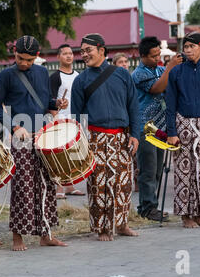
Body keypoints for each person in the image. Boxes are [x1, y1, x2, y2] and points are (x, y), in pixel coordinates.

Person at [0, 35, 68, 251]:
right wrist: (15, 127)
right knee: (23, 186)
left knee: (47, 184)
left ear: (37, 57)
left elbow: (45, 102)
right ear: (14, 53)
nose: (23, 63)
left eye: (28, 60)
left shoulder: (43, 72)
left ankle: (46, 234)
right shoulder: (6, 75)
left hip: (43, 134)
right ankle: (18, 237)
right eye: (20, 58)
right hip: (21, 137)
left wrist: (57, 103)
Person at [71, 33, 140, 241]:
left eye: (88, 50)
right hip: (95, 138)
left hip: (122, 137)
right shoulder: (81, 80)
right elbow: (77, 116)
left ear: (101, 50)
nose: (84, 54)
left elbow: (133, 106)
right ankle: (101, 228)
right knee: (98, 185)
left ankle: (121, 224)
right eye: (81, 51)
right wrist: (82, 143)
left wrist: (135, 134)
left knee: (123, 183)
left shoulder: (122, 75)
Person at [165, 32, 200, 228]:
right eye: (185, 47)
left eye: (191, 46)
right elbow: (170, 104)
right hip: (183, 126)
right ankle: (185, 215)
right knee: (183, 171)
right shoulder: (176, 72)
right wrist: (171, 132)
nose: (187, 50)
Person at [131, 36, 182, 221]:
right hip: (146, 127)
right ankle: (147, 207)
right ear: (142, 55)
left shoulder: (161, 69)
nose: (157, 58)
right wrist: (169, 68)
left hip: (160, 128)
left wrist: (173, 68)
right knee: (148, 169)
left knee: (158, 169)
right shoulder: (138, 73)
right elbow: (156, 89)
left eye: (158, 55)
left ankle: (152, 204)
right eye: (153, 56)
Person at [49, 43, 84, 199]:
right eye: (65, 54)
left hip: (75, 120)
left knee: (72, 154)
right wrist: (55, 118)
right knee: (60, 156)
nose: (69, 56)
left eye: (71, 53)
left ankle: (70, 186)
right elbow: (50, 100)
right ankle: (59, 188)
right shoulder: (55, 77)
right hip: (60, 120)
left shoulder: (78, 75)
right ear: (58, 57)